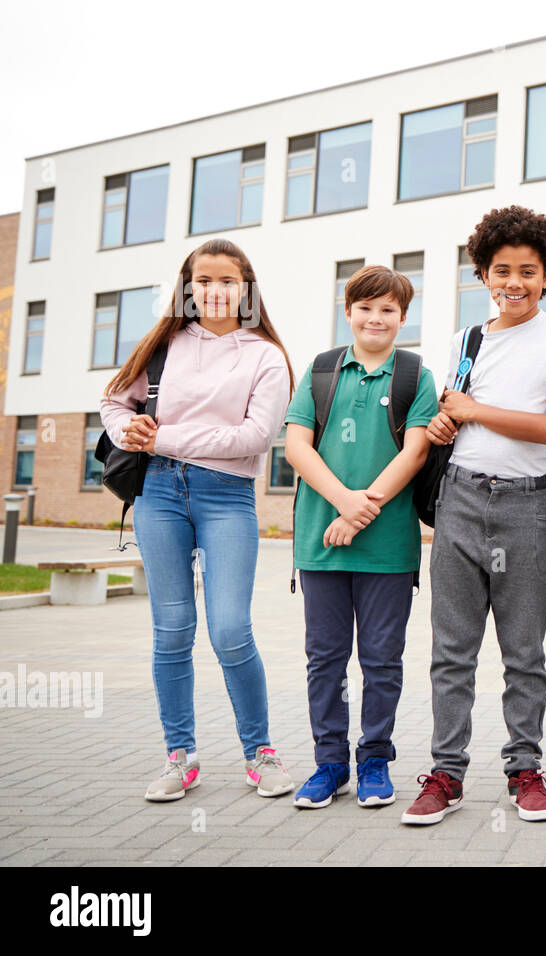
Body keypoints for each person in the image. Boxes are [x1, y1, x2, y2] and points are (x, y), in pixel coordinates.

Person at [402, 206, 546, 826]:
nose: (514, 282)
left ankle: (524, 768)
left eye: (528, 272)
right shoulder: (467, 339)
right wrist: (445, 421)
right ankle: (446, 773)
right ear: (483, 273)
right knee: (451, 649)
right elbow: (454, 416)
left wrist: (474, 409)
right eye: (501, 270)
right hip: (459, 497)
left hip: (527, 504)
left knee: (523, 650)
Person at [100, 238, 294, 802]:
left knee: (230, 628)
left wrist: (165, 435)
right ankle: (179, 757)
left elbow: (254, 438)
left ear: (245, 288)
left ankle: (260, 753)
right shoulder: (164, 345)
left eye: (226, 280)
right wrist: (126, 431)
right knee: (172, 630)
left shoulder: (264, 356)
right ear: (188, 287)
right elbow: (115, 400)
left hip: (227, 496)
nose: (213, 290)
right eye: (202, 280)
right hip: (158, 493)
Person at [283, 265, 436, 809]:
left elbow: (415, 453)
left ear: (402, 317)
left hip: (388, 546)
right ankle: (329, 764)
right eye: (366, 308)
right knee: (324, 657)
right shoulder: (322, 370)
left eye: (388, 310)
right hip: (319, 541)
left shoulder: (415, 375)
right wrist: (344, 502)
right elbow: (297, 448)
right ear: (348, 312)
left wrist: (358, 512)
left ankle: (374, 760)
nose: (376, 318)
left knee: (381, 658)